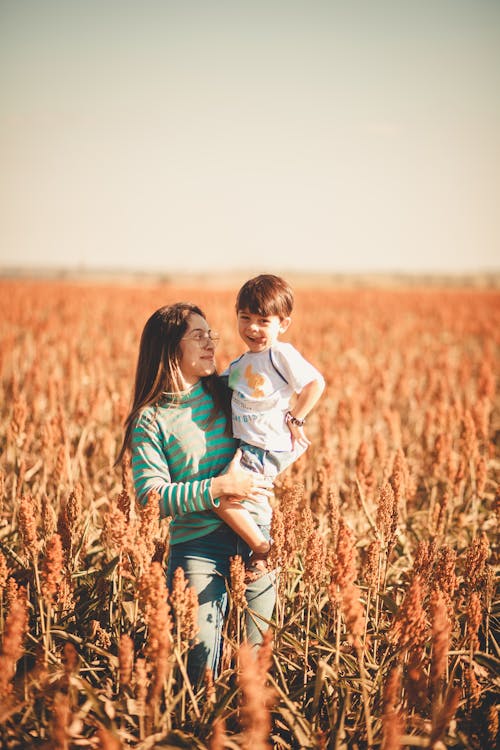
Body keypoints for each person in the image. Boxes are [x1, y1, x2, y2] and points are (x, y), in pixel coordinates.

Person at [116, 302, 276, 687]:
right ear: (171, 346)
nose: (211, 343)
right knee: (199, 672)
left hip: (259, 542)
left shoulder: (228, 392)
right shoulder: (150, 419)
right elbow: (151, 496)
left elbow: (269, 425)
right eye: (198, 335)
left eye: (211, 334)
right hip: (199, 550)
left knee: (255, 673)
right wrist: (217, 488)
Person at [215, 274, 325, 579]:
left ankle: (263, 549)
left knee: (224, 498)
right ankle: (257, 544)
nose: (252, 327)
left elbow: (315, 384)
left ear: (283, 324)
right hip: (249, 445)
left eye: (263, 320)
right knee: (238, 496)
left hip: (265, 445)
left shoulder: (280, 354)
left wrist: (296, 417)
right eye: (245, 318)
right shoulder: (240, 365)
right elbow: (217, 392)